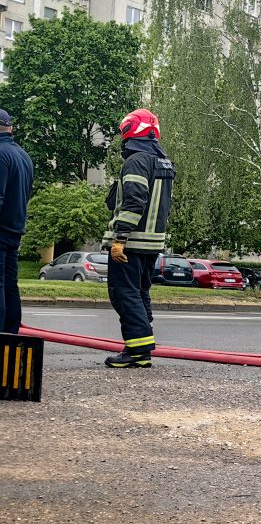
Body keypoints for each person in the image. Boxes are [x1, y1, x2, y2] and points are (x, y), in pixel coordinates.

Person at [102, 109, 175, 368]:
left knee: (124, 294)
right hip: (152, 243)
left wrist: (120, 237)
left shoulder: (136, 161)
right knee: (140, 292)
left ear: (129, 131)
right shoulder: (164, 162)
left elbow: (134, 201)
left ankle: (137, 351)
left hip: (132, 242)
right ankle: (140, 345)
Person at [0, 109, 33, 335]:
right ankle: (10, 334)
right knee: (10, 284)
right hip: (15, 229)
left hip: (1, 230)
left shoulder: (1, 154)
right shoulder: (23, 155)